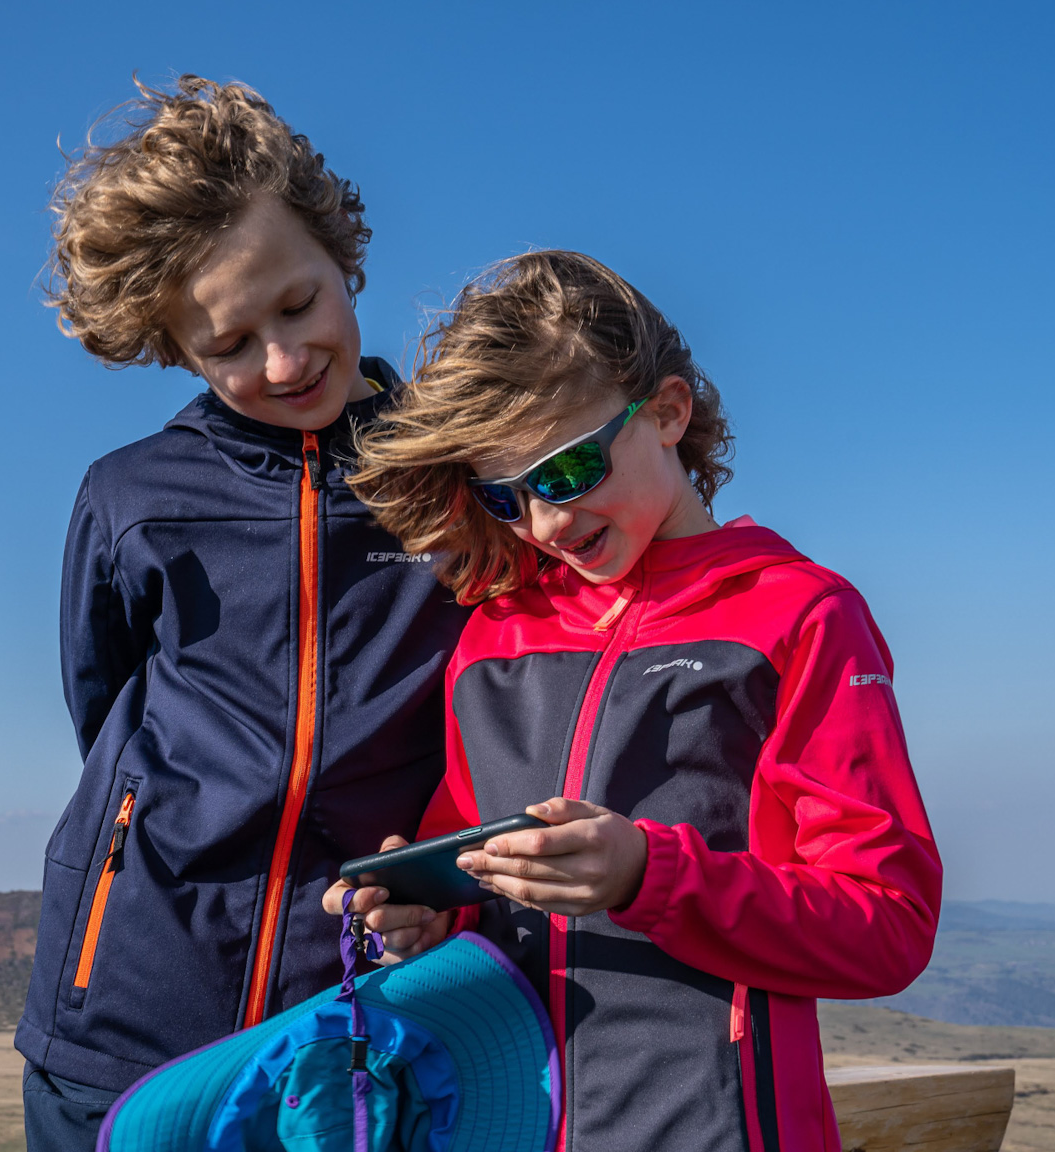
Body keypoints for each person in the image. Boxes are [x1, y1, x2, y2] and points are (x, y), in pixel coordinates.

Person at [333, 250, 944, 1151]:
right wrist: (427, 910)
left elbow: (887, 925)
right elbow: (479, 887)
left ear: (666, 411)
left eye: (568, 470)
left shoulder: (802, 615)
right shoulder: (492, 635)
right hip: (502, 1125)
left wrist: (651, 877)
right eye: (505, 494)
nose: (543, 523)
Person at [16, 76, 470, 1150]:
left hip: (354, 1019)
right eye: (226, 346)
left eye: (299, 304)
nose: (281, 359)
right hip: (120, 1020)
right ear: (173, 349)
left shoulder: (457, 476)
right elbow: (107, 719)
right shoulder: (129, 494)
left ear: (339, 250)